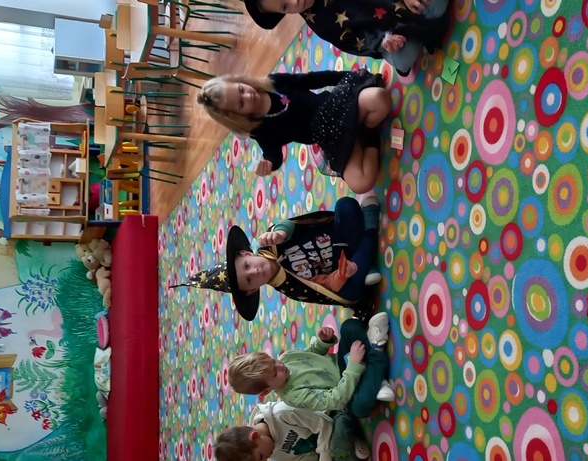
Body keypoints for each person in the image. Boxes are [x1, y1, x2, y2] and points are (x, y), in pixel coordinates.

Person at [171, 196, 381, 322]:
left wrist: (280, 233)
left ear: (247, 254)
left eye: (247, 266)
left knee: (345, 205)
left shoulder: (270, 242)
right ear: (253, 290)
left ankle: (365, 258)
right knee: (352, 291)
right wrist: (343, 275)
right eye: (249, 280)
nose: (254, 271)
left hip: (342, 236)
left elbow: (289, 226)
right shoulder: (290, 287)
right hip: (345, 269)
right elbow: (325, 286)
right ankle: (369, 236)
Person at [197, 69, 389, 194]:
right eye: (241, 103)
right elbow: (273, 154)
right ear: (237, 116)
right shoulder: (259, 129)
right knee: (361, 184)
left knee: (380, 99)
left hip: (337, 106)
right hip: (332, 138)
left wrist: (349, 77)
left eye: (241, 89)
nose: (248, 95)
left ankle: (362, 126)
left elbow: (311, 79)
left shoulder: (274, 83)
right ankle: (367, 133)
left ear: (240, 81)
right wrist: (269, 164)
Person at [227, 316, 394, 418]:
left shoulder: (285, 359)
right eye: (275, 373)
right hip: (348, 391)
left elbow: (311, 352)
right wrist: (354, 365)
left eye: (273, 361)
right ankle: (376, 352)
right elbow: (336, 399)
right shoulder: (293, 397)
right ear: (265, 391)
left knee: (349, 326)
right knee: (360, 407)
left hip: (343, 363)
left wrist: (323, 341)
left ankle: (374, 377)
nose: (280, 365)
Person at [242, 0, 452, 76]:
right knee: (404, 58)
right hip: (385, 30)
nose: (295, 2)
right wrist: (381, 41)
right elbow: (349, 41)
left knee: (435, 6)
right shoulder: (318, 21)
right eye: (285, 6)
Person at [213, 400, 371, 461]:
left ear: (255, 436)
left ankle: (352, 436)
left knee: (339, 446)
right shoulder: (269, 448)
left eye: (261, 457)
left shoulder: (282, 414)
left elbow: (324, 424)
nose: (266, 459)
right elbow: (301, 458)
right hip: (320, 446)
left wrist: (324, 455)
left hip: (331, 419)